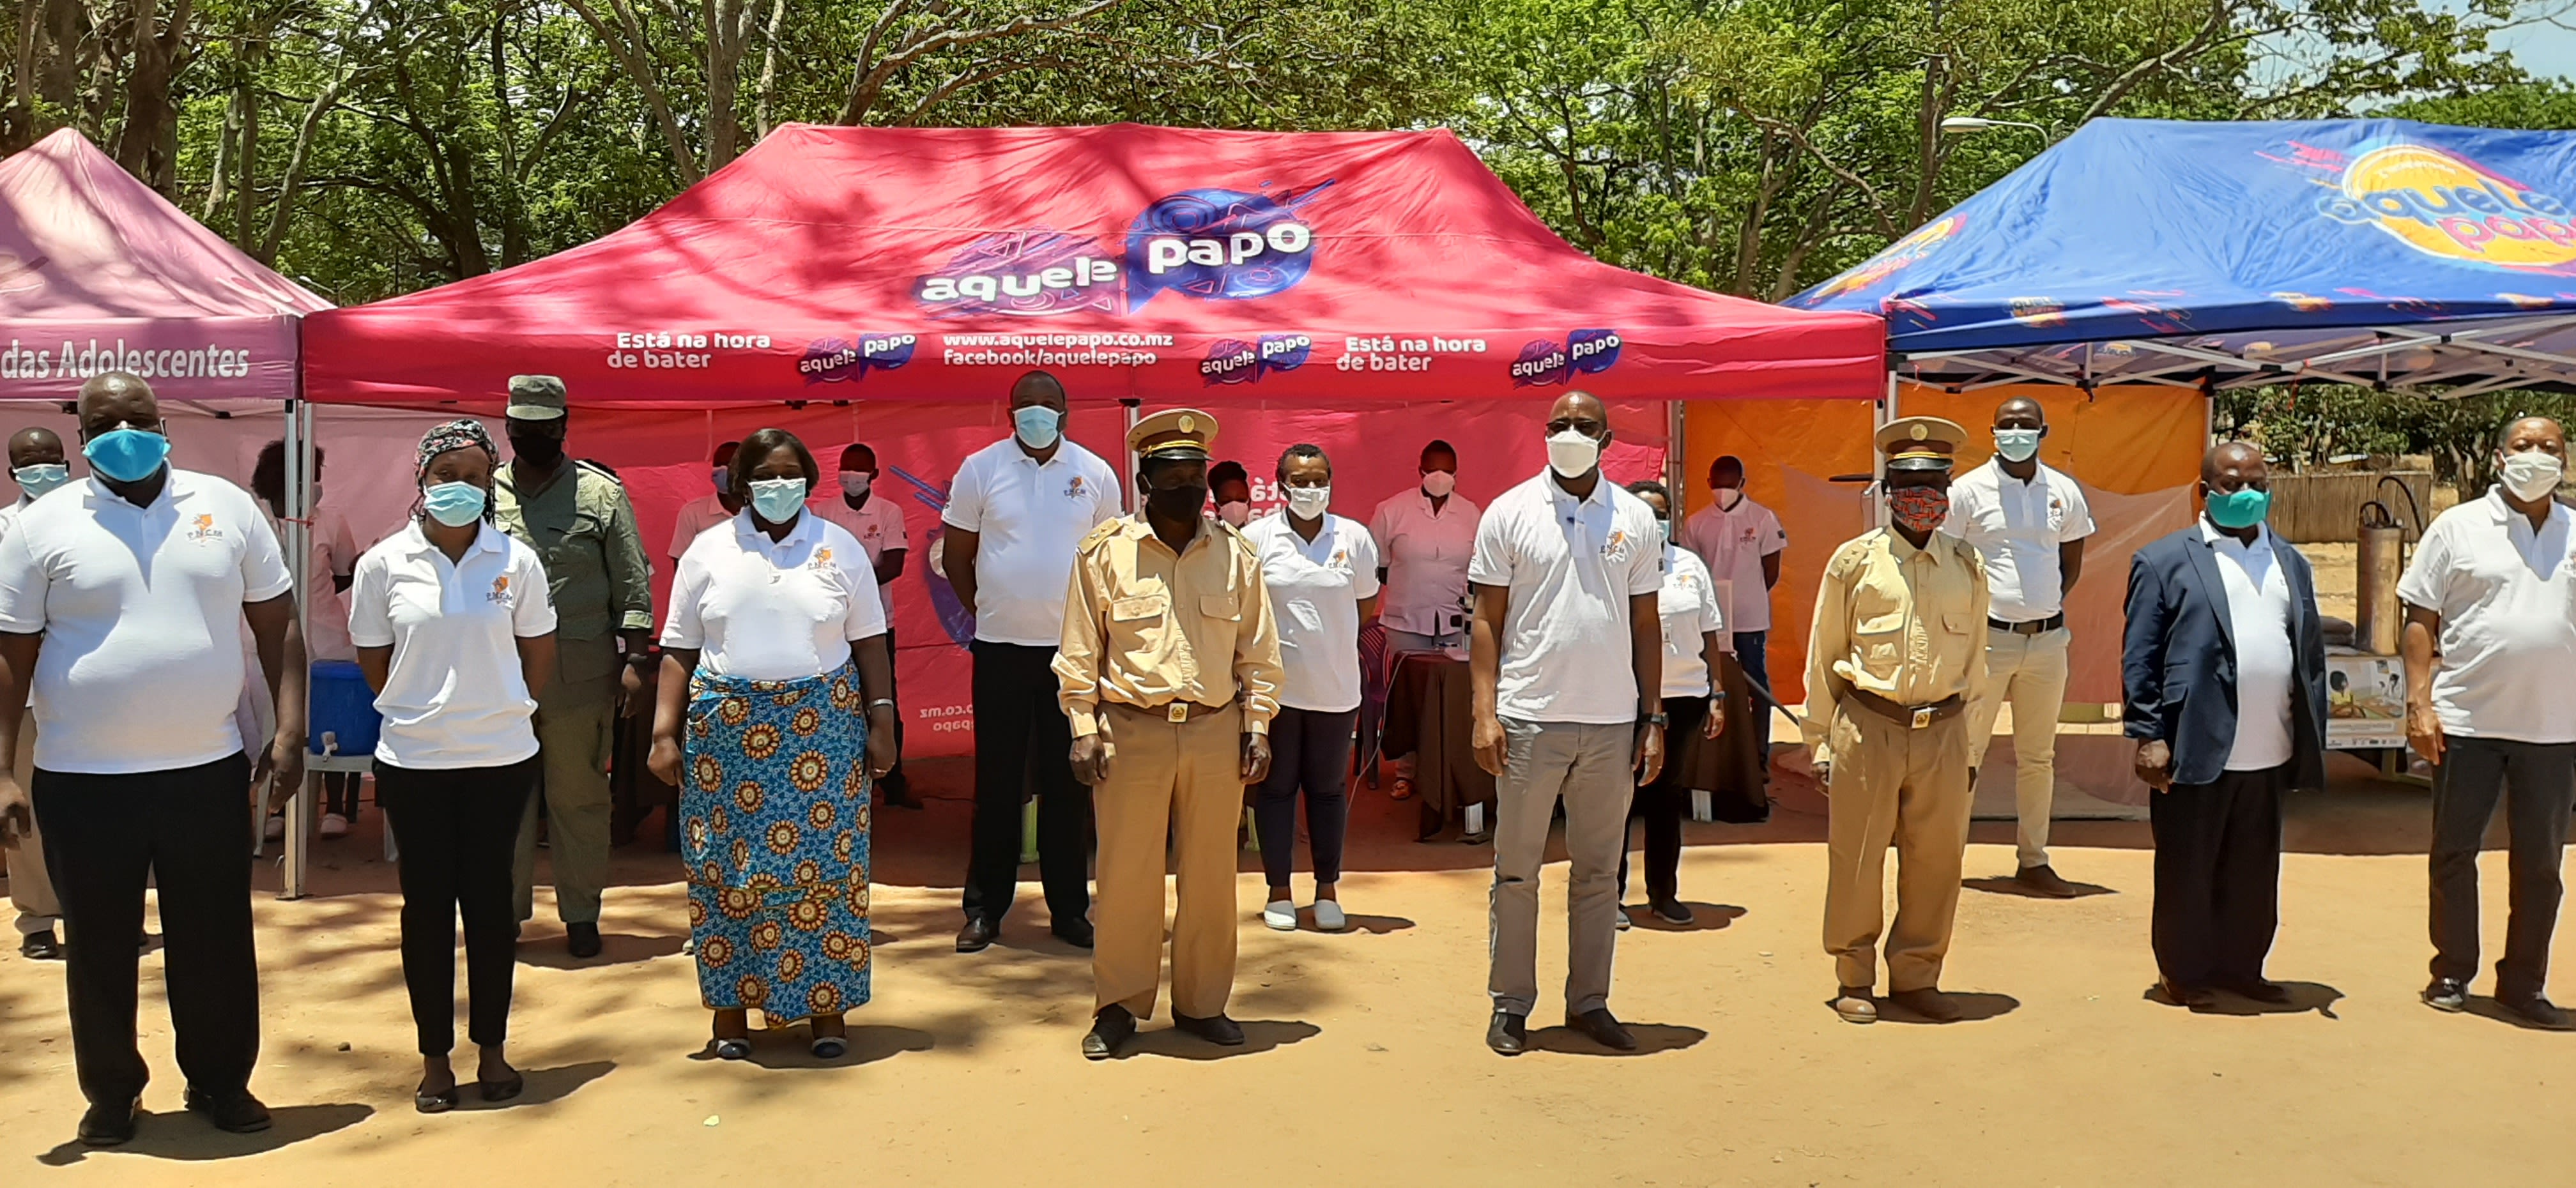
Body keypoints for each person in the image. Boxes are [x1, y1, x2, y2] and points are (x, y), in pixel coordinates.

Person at [0, 372, 306, 1145]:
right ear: (81, 433)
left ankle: (220, 1083)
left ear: (162, 423)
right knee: (98, 949)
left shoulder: (226, 506)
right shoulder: (39, 527)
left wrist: (290, 728)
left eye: (136, 418)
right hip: (80, 778)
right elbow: (12, 654)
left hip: (204, 770)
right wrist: (3, 769)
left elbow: (279, 625)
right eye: (105, 423)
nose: (124, 433)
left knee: (214, 941)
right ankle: (112, 1094)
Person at [650, 428, 898, 1061]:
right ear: (742, 483)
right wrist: (662, 731)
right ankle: (731, 1015)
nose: (779, 485)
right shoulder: (710, 550)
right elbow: (679, 647)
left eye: (791, 473)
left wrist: (883, 720)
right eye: (765, 474)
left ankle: (826, 1013)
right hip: (726, 732)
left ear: (809, 480)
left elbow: (870, 638)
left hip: (823, 730)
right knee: (726, 871)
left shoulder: (838, 546)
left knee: (826, 873)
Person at [1056, 407, 1282, 1058]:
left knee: (1211, 875)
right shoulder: (1105, 553)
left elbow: (1259, 652)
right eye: (1172, 474)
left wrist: (1259, 725)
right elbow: (1079, 650)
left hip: (1216, 730)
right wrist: (1081, 726)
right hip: (1132, 730)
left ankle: (1202, 1002)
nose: (1187, 486)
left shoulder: (1236, 556)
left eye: (1196, 473)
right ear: (1145, 479)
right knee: (1128, 877)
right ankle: (1121, 1007)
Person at [348, 420, 556, 1112]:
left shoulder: (516, 561)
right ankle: (435, 1059)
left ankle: (492, 1052)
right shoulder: (385, 563)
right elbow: (374, 659)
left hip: (501, 758)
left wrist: (509, 706)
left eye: (474, 476)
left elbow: (538, 650)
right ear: (422, 482)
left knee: (492, 908)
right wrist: (413, 707)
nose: (459, 488)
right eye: (446, 476)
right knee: (428, 908)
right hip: (415, 761)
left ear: (489, 483)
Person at [1468, 392, 1665, 1056]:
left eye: (1584, 426)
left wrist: (1653, 715)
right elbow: (1487, 620)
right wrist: (1483, 711)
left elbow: (1646, 624)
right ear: (1544, 434)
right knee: (1517, 871)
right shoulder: (1510, 512)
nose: (1570, 434)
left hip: (1611, 723)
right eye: (1559, 425)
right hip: (1528, 720)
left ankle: (1589, 1002)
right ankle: (1511, 1005)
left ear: (1608, 438)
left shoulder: (1636, 517)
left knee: (1598, 875)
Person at [2122, 441, 2325, 1012]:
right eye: (2232, 484)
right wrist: (2149, 733)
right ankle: (2184, 973)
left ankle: (2243, 969)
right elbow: (2141, 656)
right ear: (2204, 490)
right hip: (2196, 743)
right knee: (2189, 865)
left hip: (2270, 743)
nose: (2245, 493)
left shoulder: (2290, 560)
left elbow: (2303, 649)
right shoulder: (2163, 560)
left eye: (2256, 482)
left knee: (2253, 870)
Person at [1804, 416, 1989, 1026]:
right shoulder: (1855, 563)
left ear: (1948, 492)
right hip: (1870, 725)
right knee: (1857, 858)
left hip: (1943, 729)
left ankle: (1917, 976)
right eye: (1908, 485)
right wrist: (1822, 741)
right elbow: (1824, 651)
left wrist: (1969, 747)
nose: (1922, 499)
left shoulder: (1967, 564)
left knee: (1937, 861)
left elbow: (1976, 658)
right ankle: (1854, 976)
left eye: (1935, 486)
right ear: (1888, 494)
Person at [2401, 416, 2576, 1028]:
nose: (2537, 456)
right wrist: (2420, 703)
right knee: (2454, 851)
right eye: (2524, 446)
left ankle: (2523, 985)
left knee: (2540, 865)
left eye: (2550, 448)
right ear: (2500, 458)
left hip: (2554, 727)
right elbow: (2420, 618)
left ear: (2565, 459)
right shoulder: (2459, 526)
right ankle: (2451, 971)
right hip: (2468, 719)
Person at [942, 370, 1119, 953]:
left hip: (1072, 654)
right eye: (1027, 406)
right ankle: (984, 909)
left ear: (1066, 413)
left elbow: (1111, 564)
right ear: (1010, 413)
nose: (1037, 414)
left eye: (1049, 405)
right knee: (996, 781)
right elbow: (958, 556)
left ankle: (1070, 910)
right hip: (999, 651)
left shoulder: (1094, 473)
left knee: (1068, 783)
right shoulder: (981, 468)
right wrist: (989, 610)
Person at [493, 376, 656, 960]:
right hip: (498, 672)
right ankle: (503, 915)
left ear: (563, 427)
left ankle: (582, 913)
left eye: (545, 427)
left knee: (579, 797)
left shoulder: (600, 495)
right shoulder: (485, 493)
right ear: (508, 427)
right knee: (503, 801)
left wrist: (636, 658)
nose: (533, 436)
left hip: (580, 673)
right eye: (523, 427)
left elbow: (632, 581)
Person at [1943, 398, 2095, 897]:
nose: (2015, 433)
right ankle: (1945, 861)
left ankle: (2034, 860)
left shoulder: (2064, 492)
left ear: (2043, 431)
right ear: (1992, 432)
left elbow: (2070, 563)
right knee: (1967, 752)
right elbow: (1946, 559)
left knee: (2038, 757)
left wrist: (2041, 607)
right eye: (2006, 426)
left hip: (2048, 642)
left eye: (2025, 426)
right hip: (1987, 642)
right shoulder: (1966, 492)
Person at [1241, 443, 1379, 933]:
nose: (1310, 488)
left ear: (1331, 481)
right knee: (1275, 791)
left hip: (1336, 690)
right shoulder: (1256, 538)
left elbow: (1366, 608)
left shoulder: (1356, 538)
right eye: (1299, 480)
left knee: (1326, 791)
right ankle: (1279, 891)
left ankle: (1327, 890)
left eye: (1318, 478)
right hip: (1275, 692)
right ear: (1280, 485)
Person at [1618, 480, 1726, 928]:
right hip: (1624, 697)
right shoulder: (1613, 564)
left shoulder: (1690, 565)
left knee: (1667, 797)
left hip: (1684, 697)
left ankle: (1663, 893)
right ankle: (1608, 898)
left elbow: (1709, 633)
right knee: (1616, 800)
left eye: (1661, 513)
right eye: (1646, 513)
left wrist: (1717, 694)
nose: (1655, 521)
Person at [252, 438, 367, 840]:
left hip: (328, 635)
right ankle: (277, 807)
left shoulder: (331, 520)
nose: (316, 485)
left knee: (331, 719)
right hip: (267, 638)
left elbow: (343, 574)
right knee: (277, 719)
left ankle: (333, 807)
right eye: (309, 476)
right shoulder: (255, 520)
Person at [1368, 439, 1480, 798]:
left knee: (1451, 704)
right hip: (1406, 623)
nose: (1440, 476)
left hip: (1456, 622)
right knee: (1409, 702)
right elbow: (1379, 566)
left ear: (1457, 475)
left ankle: (1447, 776)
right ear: (1420, 471)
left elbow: (1478, 567)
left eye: (1448, 471)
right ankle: (1407, 773)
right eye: (1434, 469)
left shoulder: (1471, 513)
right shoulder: (1392, 510)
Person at [816, 441, 914, 807]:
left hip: (877, 623)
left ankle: (893, 781)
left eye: (860, 469)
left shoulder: (889, 512)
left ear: (873, 475)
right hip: (831, 626)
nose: (852, 476)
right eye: (846, 468)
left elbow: (894, 565)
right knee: (831, 700)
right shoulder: (822, 513)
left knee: (884, 698)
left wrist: (850, 587)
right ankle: (835, 779)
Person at [1, 427, 67, 960]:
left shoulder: (93, 520)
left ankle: (116, 916)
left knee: (107, 807)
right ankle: (38, 921)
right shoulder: (3, 529)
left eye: (52, 460)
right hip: (22, 696)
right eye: (31, 463)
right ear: (13, 473)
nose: (43, 469)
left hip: (85, 692)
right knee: (25, 808)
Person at [1678, 453, 1786, 697]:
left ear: (1742, 483)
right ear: (1708, 483)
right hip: (1711, 619)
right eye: (1718, 486)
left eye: (1729, 486)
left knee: (1755, 681)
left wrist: (1750, 593)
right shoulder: (1696, 523)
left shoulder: (1763, 518)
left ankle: (1759, 736)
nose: (1722, 491)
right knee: (1714, 679)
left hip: (1750, 620)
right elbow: (1692, 569)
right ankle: (1724, 735)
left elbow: (1772, 569)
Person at [667, 441, 744, 569]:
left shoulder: (761, 510)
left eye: (731, 464)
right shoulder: (693, 513)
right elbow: (681, 564)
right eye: (719, 464)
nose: (725, 469)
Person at [1211, 460, 1253, 528]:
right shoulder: (1206, 536)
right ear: (1216, 507)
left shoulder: (1259, 535)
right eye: (1226, 501)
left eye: (1241, 500)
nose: (1234, 507)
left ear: (1249, 503)